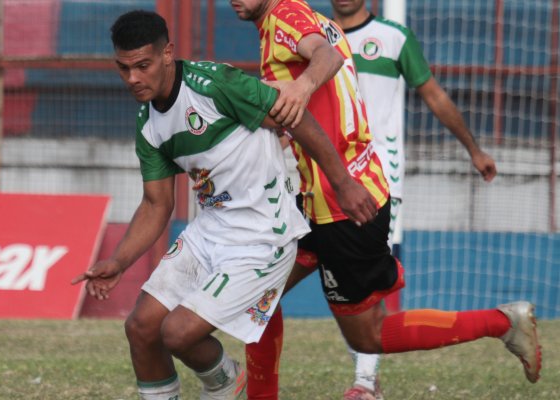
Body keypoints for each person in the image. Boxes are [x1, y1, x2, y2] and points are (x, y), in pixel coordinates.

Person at [229, 1, 541, 399]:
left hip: (344, 201)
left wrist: (301, 88)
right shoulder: (309, 20)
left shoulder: (289, 19)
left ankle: (501, 323)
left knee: (368, 334)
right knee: (257, 296)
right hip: (318, 199)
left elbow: (326, 60)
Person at [71, 9, 377, 400]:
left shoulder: (215, 84)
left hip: (264, 238)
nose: (133, 78)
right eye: (123, 68)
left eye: (142, 66)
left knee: (177, 333)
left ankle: (226, 380)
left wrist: (343, 182)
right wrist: (118, 261)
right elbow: (155, 204)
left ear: (167, 54)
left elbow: (296, 117)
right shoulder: (148, 121)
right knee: (141, 329)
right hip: (210, 231)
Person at [329, 0, 499, 398]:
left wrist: (473, 150)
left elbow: (435, 97)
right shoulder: (315, 36)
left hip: (376, 181)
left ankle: (364, 382)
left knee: (367, 278)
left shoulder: (393, 38)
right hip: (322, 179)